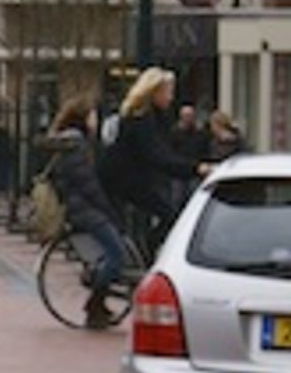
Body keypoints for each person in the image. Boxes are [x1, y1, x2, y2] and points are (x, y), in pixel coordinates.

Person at [100, 67, 211, 249]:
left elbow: (163, 152)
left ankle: (142, 251)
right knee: (169, 215)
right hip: (124, 178)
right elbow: (156, 155)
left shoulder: (151, 117)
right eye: (168, 92)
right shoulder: (142, 119)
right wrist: (195, 168)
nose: (171, 97)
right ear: (154, 92)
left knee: (154, 213)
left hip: (130, 176)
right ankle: (149, 254)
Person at [47, 95, 125, 330]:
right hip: (85, 211)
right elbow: (87, 183)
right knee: (117, 255)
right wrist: (107, 209)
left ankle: (99, 300)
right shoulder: (76, 145)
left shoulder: (70, 143)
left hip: (79, 207)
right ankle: (95, 303)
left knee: (112, 250)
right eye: (92, 115)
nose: (96, 120)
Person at [169, 104, 208, 208]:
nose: (188, 118)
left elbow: (204, 149)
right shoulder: (174, 133)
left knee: (194, 199)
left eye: (190, 116)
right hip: (179, 171)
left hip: (194, 171)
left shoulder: (200, 133)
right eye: (186, 116)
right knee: (177, 200)